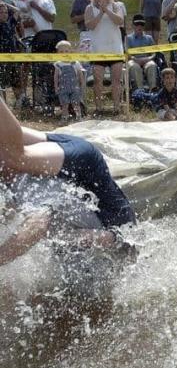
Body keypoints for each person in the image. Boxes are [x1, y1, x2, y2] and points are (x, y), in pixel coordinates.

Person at [0, 97, 136, 266]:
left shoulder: (32, 183)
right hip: (74, 153)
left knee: (16, 158)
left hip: (114, 231)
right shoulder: (17, 178)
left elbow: (38, 224)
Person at [85, 0, 124, 116]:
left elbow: (120, 21)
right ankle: (99, 108)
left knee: (116, 80)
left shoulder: (116, 6)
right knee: (97, 81)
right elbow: (90, 25)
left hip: (115, 49)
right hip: (98, 50)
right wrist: (101, 12)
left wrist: (107, 10)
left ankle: (116, 108)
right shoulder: (89, 8)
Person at [54, 40, 85, 120]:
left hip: (75, 87)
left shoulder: (75, 63)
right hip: (63, 88)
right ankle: (65, 117)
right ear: (57, 53)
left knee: (76, 103)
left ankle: (78, 116)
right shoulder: (58, 64)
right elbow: (56, 77)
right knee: (64, 104)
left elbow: (80, 75)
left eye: (66, 51)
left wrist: (82, 85)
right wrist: (56, 87)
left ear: (70, 51)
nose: (64, 53)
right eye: (61, 51)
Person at [127, 14, 158, 92]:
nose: (139, 27)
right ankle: (140, 91)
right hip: (133, 60)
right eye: (137, 24)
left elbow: (154, 53)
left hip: (147, 60)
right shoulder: (128, 38)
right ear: (133, 26)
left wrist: (148, 59)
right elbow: (127, 53)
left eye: (142, 25)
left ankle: (153, 90)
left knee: (152, 65)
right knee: (135, 67)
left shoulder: (149, 38)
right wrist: (135, 59)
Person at [0, 1, 22, 104]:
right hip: (1, 60)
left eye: (5, 12)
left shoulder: (10, 23)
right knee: (2, 86)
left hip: (12, 58)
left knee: (16, 82)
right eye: (1, 12)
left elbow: (17, 10)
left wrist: (4, 3)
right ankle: (4, 106)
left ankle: (20, 104)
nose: (4, 14)